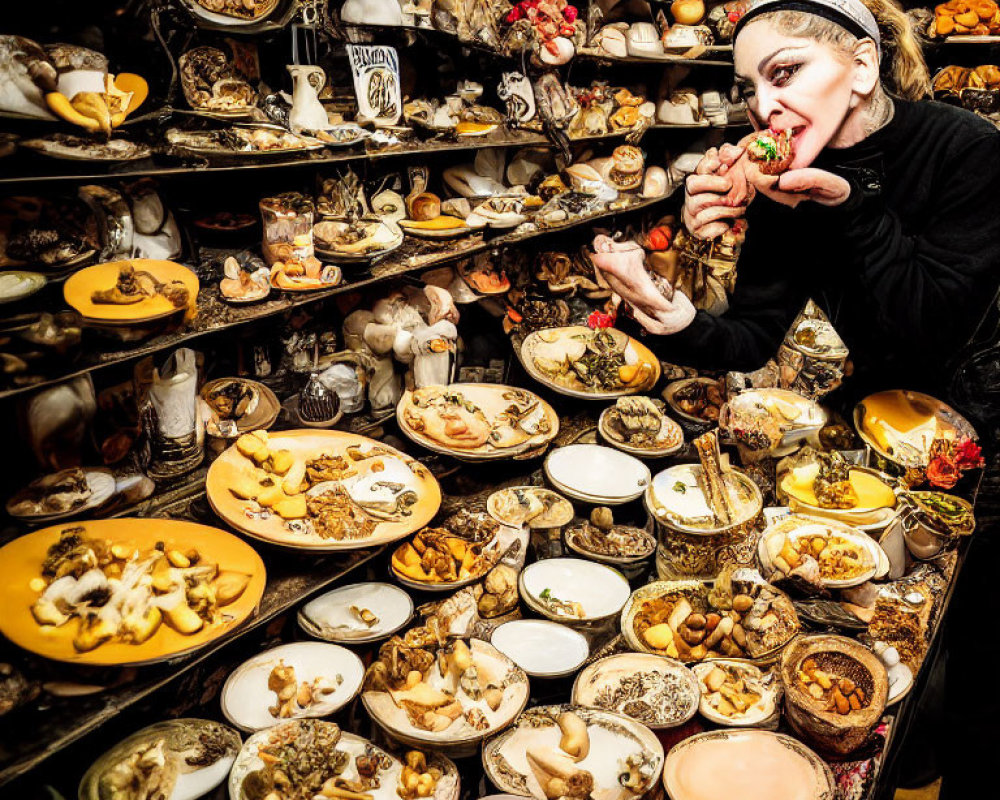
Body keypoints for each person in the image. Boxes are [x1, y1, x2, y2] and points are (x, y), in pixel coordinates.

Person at [592, 0, 1000, 399]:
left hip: (975, 411)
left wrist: (853, 210)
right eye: (747, 88)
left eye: (785, 72)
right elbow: (752, 336)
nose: (763, 107)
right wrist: (667, 310)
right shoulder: (785, 177)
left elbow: (933, 335)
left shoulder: (967, 149)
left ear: (862, 67)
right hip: (874, 404)